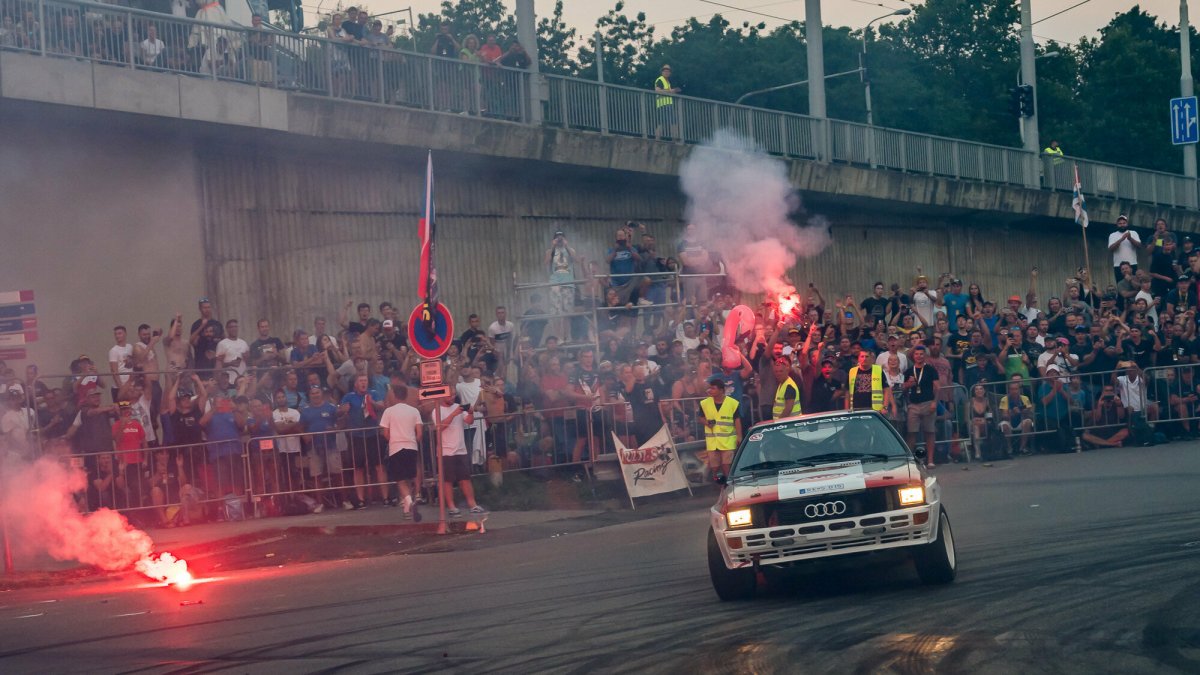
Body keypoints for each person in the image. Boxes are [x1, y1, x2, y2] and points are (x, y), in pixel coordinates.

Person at [436, 394, 486, 516]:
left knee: (465, 478)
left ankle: (472, 504)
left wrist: (470, 413)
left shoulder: (458, 406)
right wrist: (453, 414)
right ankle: (451, 507)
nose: (452, 397)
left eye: (454, 395)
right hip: (446, 451)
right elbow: (439, 427)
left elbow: (469, 421)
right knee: (447, 480)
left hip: (460, 449)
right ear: (443, 396)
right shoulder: (437, 410)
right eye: (450, 395)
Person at [379, 384, 423, 519]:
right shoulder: (414, 411)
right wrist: (412, 441)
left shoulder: (389, 411)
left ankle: (409, 502)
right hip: (411, 446)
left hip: (396, 447)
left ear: (394, 395)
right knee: (408, 477)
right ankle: (407, 510)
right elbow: (419, 433)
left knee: (400, 479)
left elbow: (385, 433)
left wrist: (393, 440)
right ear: (406, 395)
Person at [700, 375, 742, 479]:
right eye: (710, 388)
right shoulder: (704, 403)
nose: (710, 390)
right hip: (713, 442)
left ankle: (729, 484)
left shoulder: (732, 403)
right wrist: (707, 423)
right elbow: (700, 418)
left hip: (728, 441)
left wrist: (739, 436)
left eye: (713, 388)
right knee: (715, 469)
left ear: (721, 390)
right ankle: (719, 486)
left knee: (726, 466)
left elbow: (737, 420)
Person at [904, 345, 939, 467]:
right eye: (916, 354)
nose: (919, 356)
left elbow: (937, 387)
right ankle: (910, 461)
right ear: (913, 356)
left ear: (925, 356)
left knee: (929, 432)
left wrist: (934, 402)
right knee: (911, 432)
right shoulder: (909, 371)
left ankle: (930, 460)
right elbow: (903, 387)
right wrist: (909, 384)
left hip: (928, 403)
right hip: (913, 404)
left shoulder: (930, 369)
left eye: (921, 354)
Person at [1108, 215, 1142, 283]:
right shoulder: (1112, 235)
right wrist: (1121, 239)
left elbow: (1139, 246)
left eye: (1124, 223)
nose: (1122, 225)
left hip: (1132, 264)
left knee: (1134, 284)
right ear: (1117, 224)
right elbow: (1111, 249)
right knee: (1120, 284)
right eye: (1120, 223)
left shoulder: (1133, 233)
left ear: (1127, 224)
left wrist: (1130, 239)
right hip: (1118, 265)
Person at [653, 64, 680, 140]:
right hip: (662, 104)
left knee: (670, 122)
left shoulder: (667, 82)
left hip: (668, 104)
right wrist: (671, 91)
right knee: (665, 122)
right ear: (662, 72)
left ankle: (674, 139)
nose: (667, 72)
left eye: (668, 71)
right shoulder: (660, 79)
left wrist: (673, 92)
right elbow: (657, 91)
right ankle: (658, 139)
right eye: (665, 71)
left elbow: (667, 92)